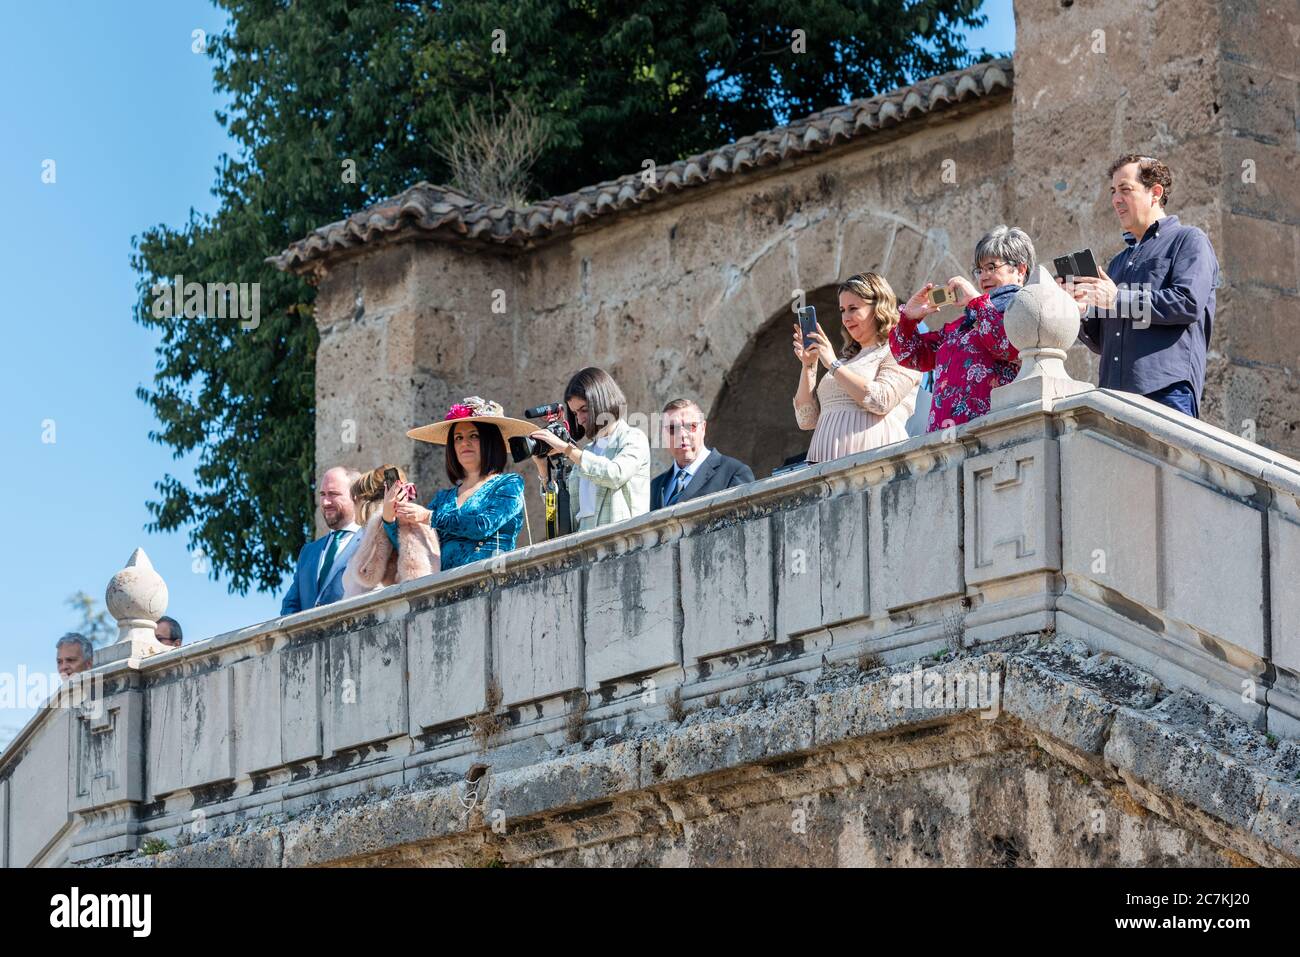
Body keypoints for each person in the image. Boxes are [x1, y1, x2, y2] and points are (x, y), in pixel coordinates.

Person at [1069, 154, 1218, 418]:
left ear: (1155, 192)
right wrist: (1081, 310)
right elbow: (1102, 340)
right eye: (1113, 191)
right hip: (1113, 399)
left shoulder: (1189, 240)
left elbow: (1187, 303)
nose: (1116, 200)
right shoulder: (1118, 263)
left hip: (1166, 391)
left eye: (1126, 189)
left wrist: (1118, 299)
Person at [891, 225, 1031, 430]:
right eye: (979, 270)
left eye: (991, 267)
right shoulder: (962, 324)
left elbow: (1006, 345)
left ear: (1020, 269)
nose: (983, 276)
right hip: (944, 441)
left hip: (991, 434)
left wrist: (976, 301)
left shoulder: (1024, 307)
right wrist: (909, 318)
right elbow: (907, 355)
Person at [793, 272, 922, 462]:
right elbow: (807, 420)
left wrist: (832, 364)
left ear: (878, 308)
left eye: (853, 308)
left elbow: (881, 401)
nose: (846, 318)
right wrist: (809, 366)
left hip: (875, 461)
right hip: (822, 467)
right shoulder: (845, 361)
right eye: (842, 310)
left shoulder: (900, 350)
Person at [398, 398, 531, 571]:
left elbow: (483, 525)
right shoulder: (442, 498)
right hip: (444, 591)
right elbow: (415, 544)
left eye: (473, 436)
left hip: (492, 584)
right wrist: (390, 514)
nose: (464, 443)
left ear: (490, 441)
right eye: (458, 438)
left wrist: (429, 517)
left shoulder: (509, 484)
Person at [529, 367, 651, 532]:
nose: (579, 419)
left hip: (623, 548)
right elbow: (562, 514)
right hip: (584, 550)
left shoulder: (633, 437)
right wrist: (543, 468)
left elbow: (614, 475)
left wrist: (566, 448)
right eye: (574, 413)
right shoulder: (588, 451)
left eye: (584, 409)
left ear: (602, 401)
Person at [342, 465, 440, 596]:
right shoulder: (372, 530)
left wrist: (386, 520)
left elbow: (366, 574)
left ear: (363, 502)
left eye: (355, 501)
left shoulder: (403, 523)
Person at [280, 466, 363, 615]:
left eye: (333, 494)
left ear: (355, 496)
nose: (325, 503)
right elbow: (291, 604)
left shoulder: (370, 541)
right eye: (323, 494)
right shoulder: (308, 552)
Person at [651, 399, 755, 509]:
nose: (682, 434)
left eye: (690, 426)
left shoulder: (733, 473)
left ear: (703, 428)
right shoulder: (655, 486)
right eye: (672, 428)